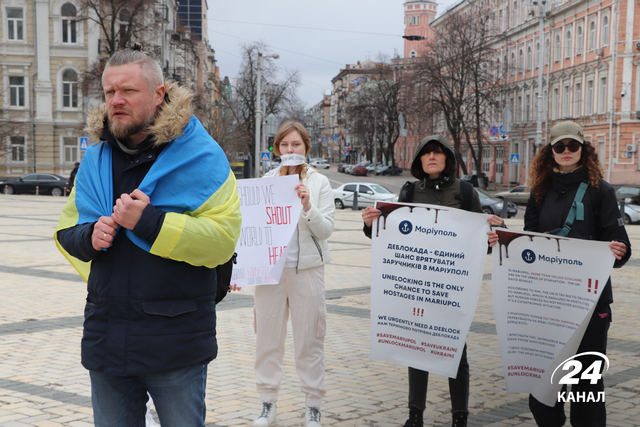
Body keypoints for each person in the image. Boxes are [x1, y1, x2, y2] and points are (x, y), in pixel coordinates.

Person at [53, 45, 242, 427]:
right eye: (109, 93)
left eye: (128, 91)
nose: (116, 101)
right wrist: (91, 236)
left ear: (158, 94)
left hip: (176, 344)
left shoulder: (203, 156)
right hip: (107, 338)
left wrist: (150, 222)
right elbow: (66, 233)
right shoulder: (94, 158)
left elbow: (223, 239)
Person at [362, 135, 504, 427]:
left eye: (438, 153)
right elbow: (392, 235)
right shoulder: (410, 191)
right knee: (417, 346)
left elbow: (480, 239)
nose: (432, 158)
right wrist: (369, 224)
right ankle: (415, 415)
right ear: (418, 160)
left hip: (451, 286)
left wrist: (492, 237)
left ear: (447, 159)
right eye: (426, 153)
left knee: (457, 349)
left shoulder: (465, 192)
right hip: (418, 283)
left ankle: (459, 417)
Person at [523, 121, 630, 427]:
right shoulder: (539, 191)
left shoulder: (601, 191)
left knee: (586, 387)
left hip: (591, 303)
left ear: (583, 150)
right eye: (560, 147)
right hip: (547, 303)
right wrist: (502, 243)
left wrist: (619, 250)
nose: (566, 151)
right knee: (544, 388)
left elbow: (620, 242)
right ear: (550, 152)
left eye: (573, 146)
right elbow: (528, 243)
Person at [232, 121, 335, 427]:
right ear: (277, 149)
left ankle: (313, 406)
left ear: (306, 148)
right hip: (270, 274)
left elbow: (326, 229)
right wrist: (239, 268)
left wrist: (307, 205)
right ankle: (267, 403)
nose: (291, 150)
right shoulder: (265, 182)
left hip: (307, 272)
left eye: (297, 145)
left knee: (310, 340)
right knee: (267, 339)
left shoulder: (319, 183)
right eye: (285, 145)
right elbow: (247, 230)